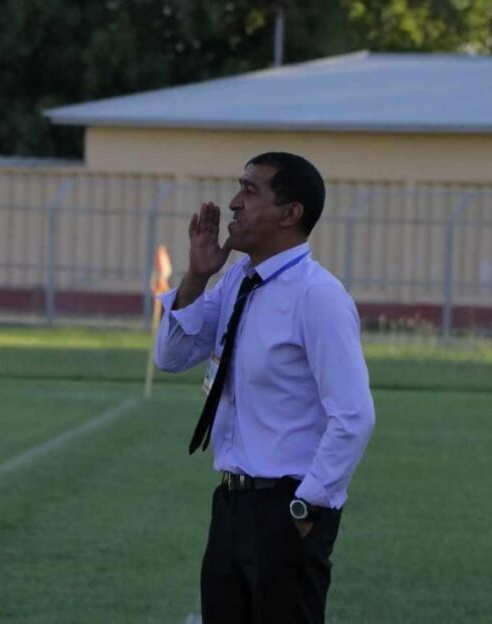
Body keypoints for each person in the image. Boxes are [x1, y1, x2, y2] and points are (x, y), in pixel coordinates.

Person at [154, 152, 375, 623]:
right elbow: (171, 357)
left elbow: (354, 415)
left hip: (287, 509)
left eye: (250, 191)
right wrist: (196, 276)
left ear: (290, 213)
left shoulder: (317, 296)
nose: (234, 203)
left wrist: (307, 506)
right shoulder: (238, 279)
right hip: (231, 505)